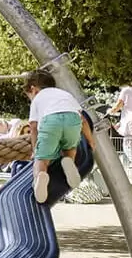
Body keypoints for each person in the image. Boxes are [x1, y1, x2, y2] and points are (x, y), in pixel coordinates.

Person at [20, 70, 84, 204]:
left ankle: (40, 176)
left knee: (42, 159)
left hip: (51, 122)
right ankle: (68, 161)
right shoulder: (65, 94)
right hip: (73, 119)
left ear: (33, 89)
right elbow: (82, 118)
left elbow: (33, 126)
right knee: (70, 147)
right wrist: (90, 141)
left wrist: (35, 150)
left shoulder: (37, 98)